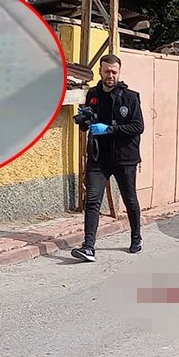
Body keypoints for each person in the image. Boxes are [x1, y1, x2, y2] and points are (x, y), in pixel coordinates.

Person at [70, 54, 145, 263]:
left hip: (125, 158)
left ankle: (136, 237)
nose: (110, 75)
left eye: (114, 71)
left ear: (119, 72)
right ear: (101, 72)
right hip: (98, 157)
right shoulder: (93, 94)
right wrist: (84, 120)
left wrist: (110, 129)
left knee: (130, 200)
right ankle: (88, 247)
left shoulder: (130, 97)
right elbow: (86, 126)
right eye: (106, 71)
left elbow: (138, 127)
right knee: (93, 201)